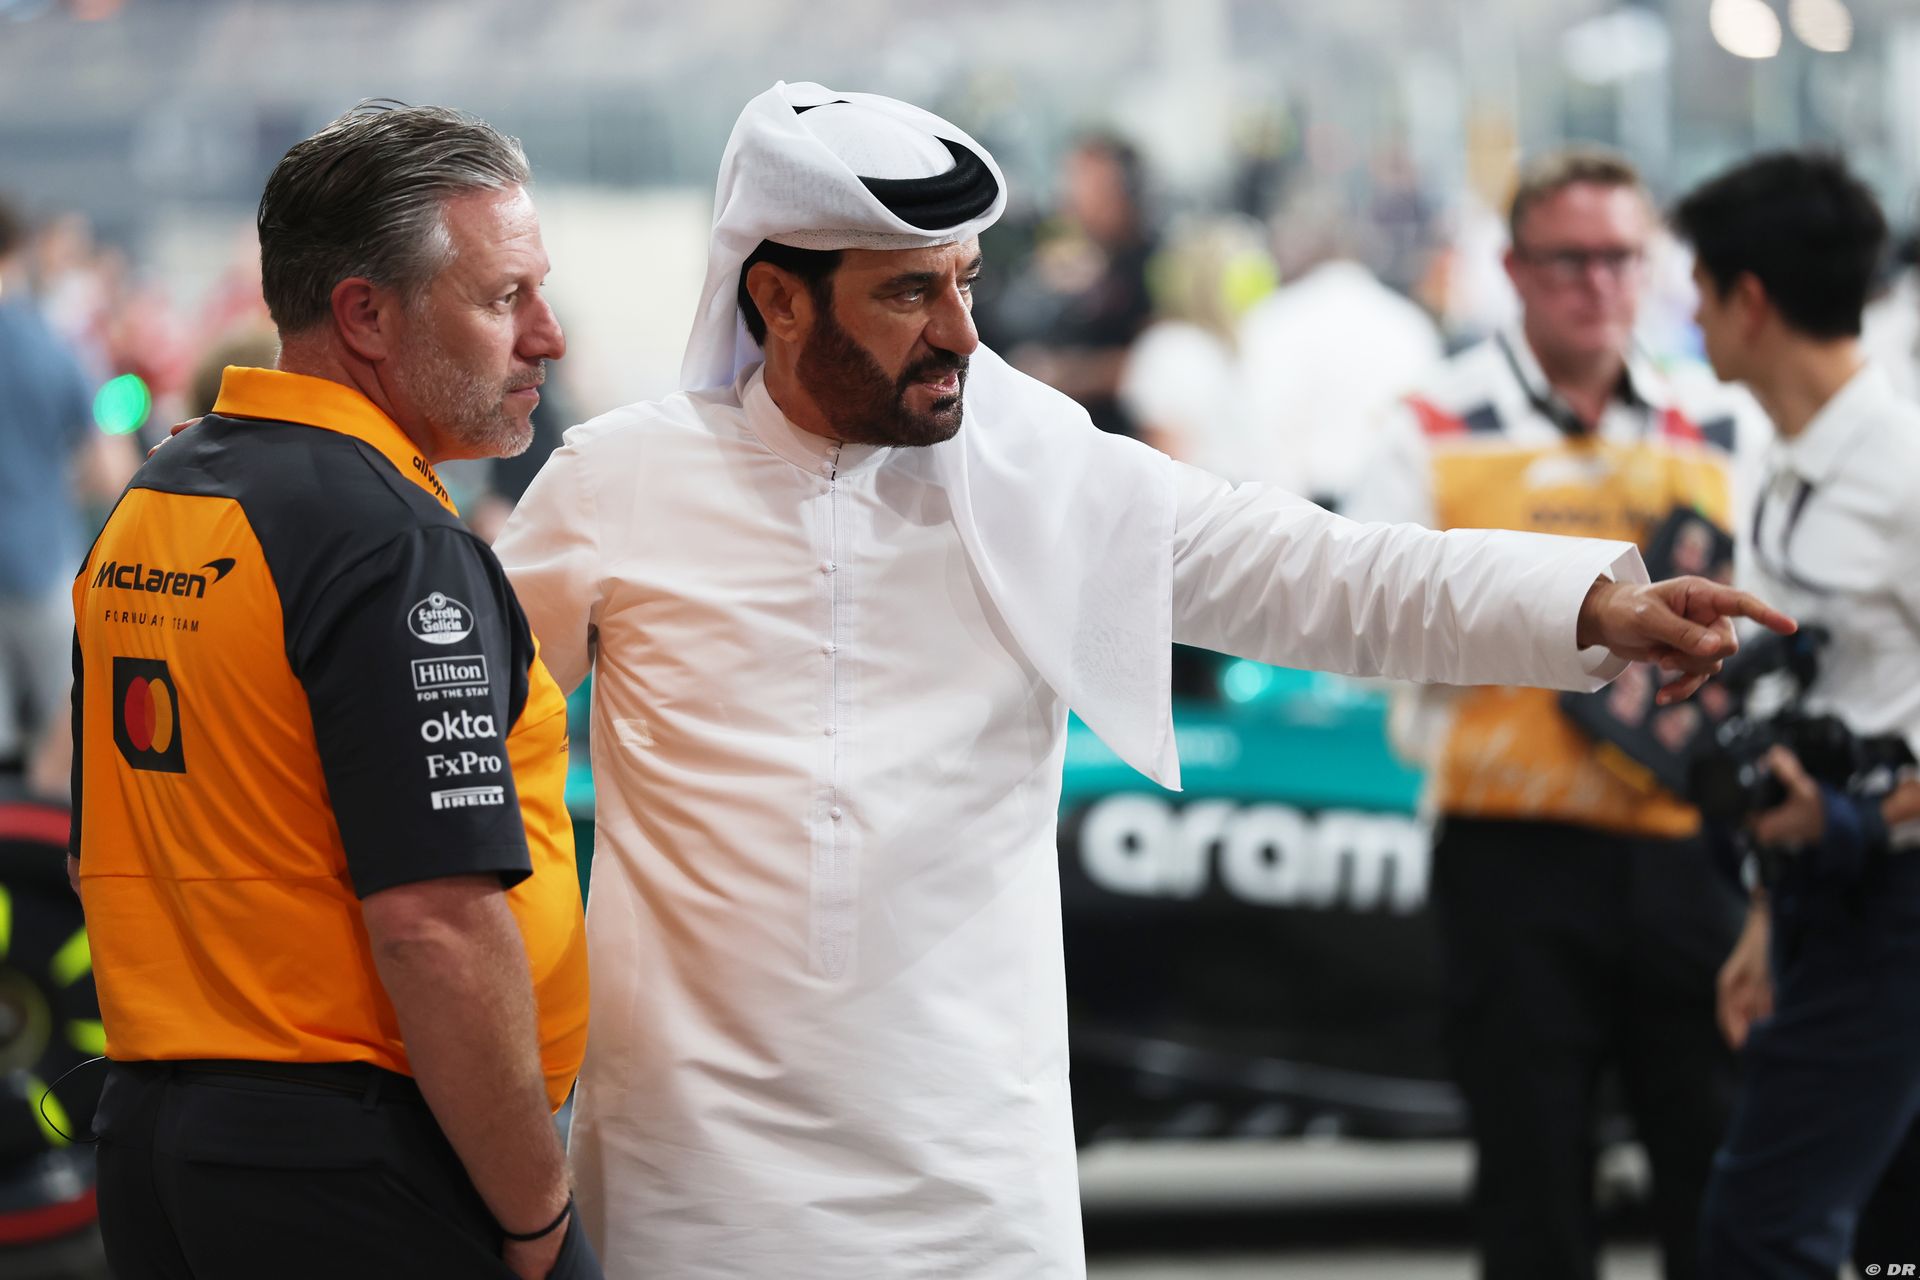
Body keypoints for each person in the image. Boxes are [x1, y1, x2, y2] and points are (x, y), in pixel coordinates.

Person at [494, 83, 1792, 1279]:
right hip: (695, 1178)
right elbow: (471, 759)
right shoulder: (618, 483)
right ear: (778, 299)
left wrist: (1589, 604)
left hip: (971, 1176)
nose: (960, 332)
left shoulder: (1040, 473)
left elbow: (1322, 574)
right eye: (909, 293)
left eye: (967, 282)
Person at [69, 103, 599, 1280]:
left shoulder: (163, 496)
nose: (548, 337)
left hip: (158, 1146)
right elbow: (435, 923)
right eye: (504, 297)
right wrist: (537, 1218)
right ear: (365, 313)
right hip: (352, 1164)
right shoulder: (393, 544)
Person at [1345, 147, 1749, 1280]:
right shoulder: (1432, 422)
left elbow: (1777, 617)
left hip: (1687, 850)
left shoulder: (1718, 421)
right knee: (1532, 1178)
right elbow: (1362, 622)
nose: (1597, 283)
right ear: (1516, 269)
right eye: (1568, 259)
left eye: (1620, 256)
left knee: (1714, 1168)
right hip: (1509, 851)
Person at [1674, 150, 1920, 1280]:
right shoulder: (1781, 466)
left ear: (1751, 300)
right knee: (1881, 1241)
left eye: (1699, 288)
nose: (1690, 315)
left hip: (1898, 901)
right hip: (1820, 896)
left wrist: (1862, 817)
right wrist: (1765, 923)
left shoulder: (1902, 470)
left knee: (1763, 1229)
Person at [0, 196, 111, 788]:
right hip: (40, 563)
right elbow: (107, 468)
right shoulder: (56, 346)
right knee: (61, 748)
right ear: (19, 250)